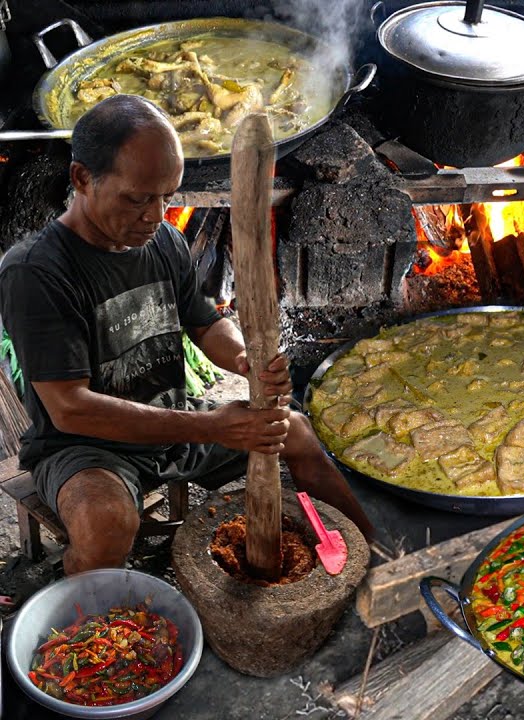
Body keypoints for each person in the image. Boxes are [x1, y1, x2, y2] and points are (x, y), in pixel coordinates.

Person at [0, 94, 374, 575]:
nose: (155, 215)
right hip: (85, 447)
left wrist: (244, 359)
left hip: (168, 418)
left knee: (295, 431)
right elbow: (71, 409)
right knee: (106, 523)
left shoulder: (161, 240)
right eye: (137, 198)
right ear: (82, 179)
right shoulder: (35, 272)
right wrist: (213, 425)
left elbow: (204, 323)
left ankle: (374, 563)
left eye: (166, 197)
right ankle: (79, 618)